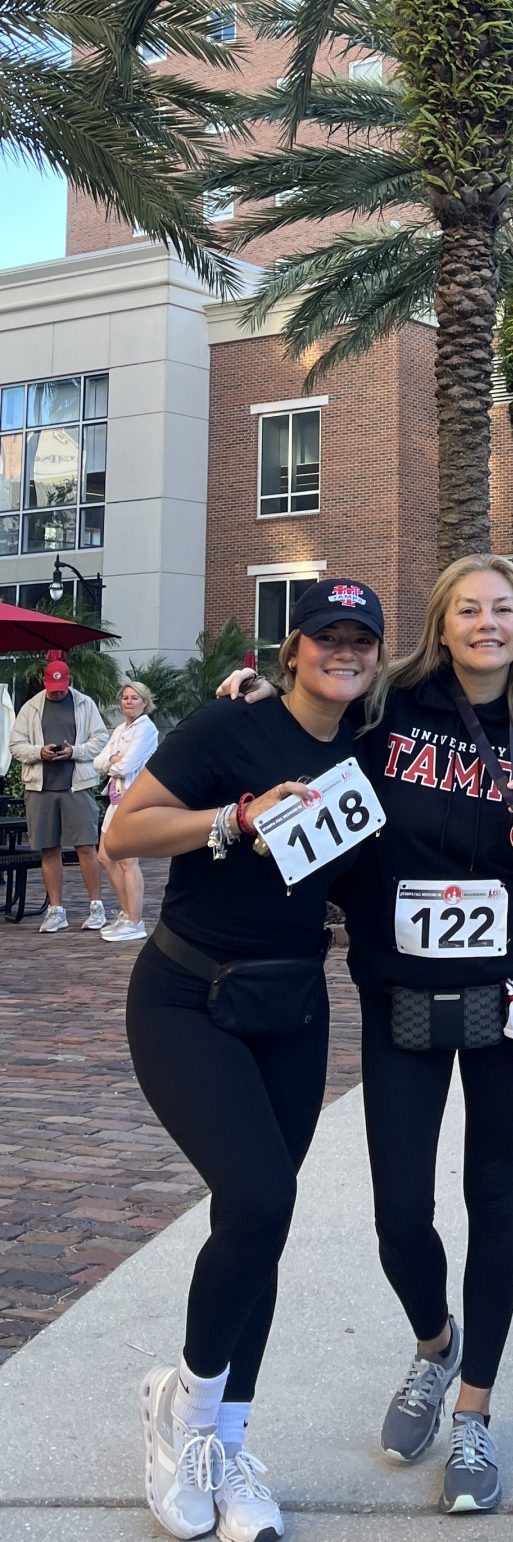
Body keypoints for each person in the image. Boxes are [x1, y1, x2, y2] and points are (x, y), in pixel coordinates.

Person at [225, 555, 513, 1515]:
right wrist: (259, 697)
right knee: (399, 1212)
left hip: (509, 994)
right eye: (467, 608)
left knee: (494, 1198)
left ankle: (474, 1415)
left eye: (502, 608)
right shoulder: (386, 708)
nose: (485, 623)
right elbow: (306, 727)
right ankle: (437, 1343)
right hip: (402, 994)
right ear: (441, 621)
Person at [106, 579, 387, 1542]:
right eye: (326, 637)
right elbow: (124, 830)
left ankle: (224, 1441)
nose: (342, 652)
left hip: (291, 1006)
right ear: (291, 650)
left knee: (256, 1220)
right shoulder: (230, 731)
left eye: (360, 639)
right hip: (187, 996)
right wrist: (236, 818)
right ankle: (180, 1414)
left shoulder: (370, 748)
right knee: (261, 1197)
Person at [8, 651, 108, 933]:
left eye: (61, 688)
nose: (56, 693)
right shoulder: (31, 707)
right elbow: (16, 745)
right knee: (48, 848)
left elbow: (101, 739)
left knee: (86, 846)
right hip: (40, 787)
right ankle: (55, 910)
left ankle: (96, 907)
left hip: (77, 784)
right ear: (43, 682)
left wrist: (74, 751)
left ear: (69, 681)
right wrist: (38, 752)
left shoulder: (85, 704)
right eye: (52, 689)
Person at [93, 679, 159, 941]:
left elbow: (127, 766)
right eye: (125, 697)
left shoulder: (147, 729)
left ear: (145, 702)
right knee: (105, 857)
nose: (129, 702)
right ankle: (126, 912)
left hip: (133, 799)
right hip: (115, 798)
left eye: (134, 698)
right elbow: (98, 762)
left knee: (128, 860)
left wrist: (113, 761)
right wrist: (112, 760)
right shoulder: (120, 729)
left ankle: (135, 920)